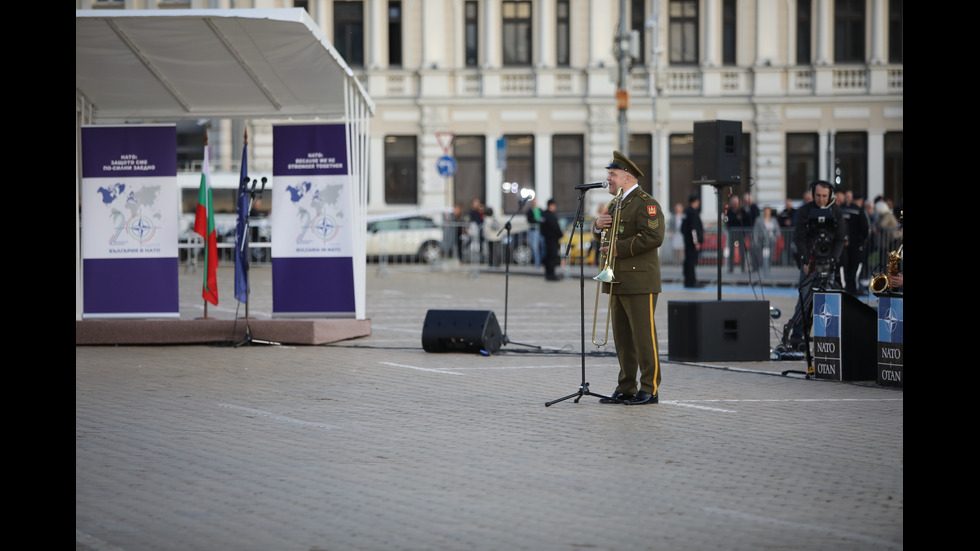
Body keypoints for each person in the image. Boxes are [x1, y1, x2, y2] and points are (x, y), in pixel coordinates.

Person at [592, 151, 665, 406]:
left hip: (640, 281)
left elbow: (654, 237)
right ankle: (626, 386)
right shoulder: (616, 203)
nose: (608, 179)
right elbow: (605, 234)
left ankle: (650, 388)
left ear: (627, 177)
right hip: (616, 279)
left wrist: (618, 248)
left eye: (612, 174)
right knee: (623, 339)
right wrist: (596, 226)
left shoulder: (646, 203)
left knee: (643, 337)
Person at [785, 180, 846, 348]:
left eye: (825, 196)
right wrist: (805, 259)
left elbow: (840, 238)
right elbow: (799, 237)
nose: (821, 199)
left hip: (828, 261)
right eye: (818, 196)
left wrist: (834, 257)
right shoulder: (805, 211)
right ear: (813, 194)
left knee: (828, 300)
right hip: (810, 261)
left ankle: (829, 337)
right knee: (804, 299)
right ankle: (798, 337)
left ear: (830, 195)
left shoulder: (835, 211)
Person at [841, 193, 870, 295]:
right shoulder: (859, 211)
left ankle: (847, 287)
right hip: (857, 244)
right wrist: (862, 239)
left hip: (846, 244)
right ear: (860, 200)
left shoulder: (843, 210)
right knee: (856, 267)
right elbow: (865, 228)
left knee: (847, 267)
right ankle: (855, 288)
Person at [681, 194, 704, 287]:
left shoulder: (686, 212)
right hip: (692, 242)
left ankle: (687, 280)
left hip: (687, 241)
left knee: (688, 261)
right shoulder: (693, 213)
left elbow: (683, 228)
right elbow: (693, 229)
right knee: (691, 262)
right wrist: (696, 242)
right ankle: (692, 281)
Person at [752, 205, 779, 278]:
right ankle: (764, 272)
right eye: (765, 211)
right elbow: (756, 231)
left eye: (768, 211)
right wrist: (756, 240)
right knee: (764, 257)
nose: (767, 212)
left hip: (771, 241)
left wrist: (775, 238)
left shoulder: (773, 220)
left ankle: (768, 270)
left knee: (770, 257)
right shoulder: (759, 220)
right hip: (763, 242)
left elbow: (777, 231)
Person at [540, 199, 563, 281]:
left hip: (547, 238)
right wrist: (560, 234)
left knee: (548, 256)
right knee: (552, 257)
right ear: (551, 205)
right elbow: (555, 227)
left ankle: (548, 274)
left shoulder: (544, 215)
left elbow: (542, 228)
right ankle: (551, 274)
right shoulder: (551, 215)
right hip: (552, 239)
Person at [525, 198, 544, 267]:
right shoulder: (530, 211)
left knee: (543, 246)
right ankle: (537, 262)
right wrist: (537, 220)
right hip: (533, 230)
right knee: (534, 247)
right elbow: (529, 219)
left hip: (540, 230)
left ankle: (540, 260)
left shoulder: (540, 210)